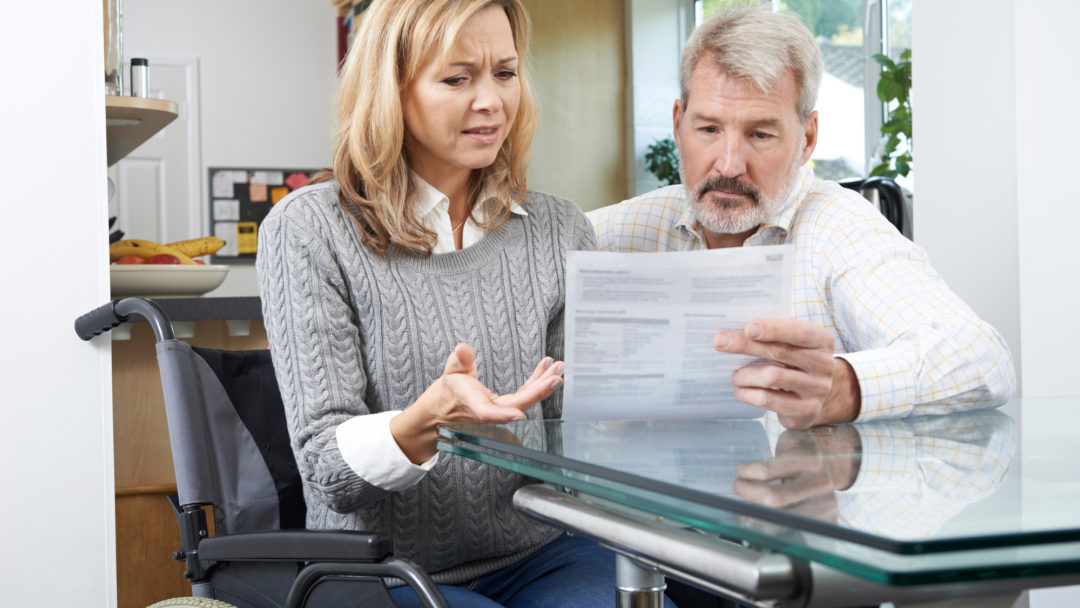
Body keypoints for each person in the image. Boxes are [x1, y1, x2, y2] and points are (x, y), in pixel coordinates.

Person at [257, 1, 666, 607]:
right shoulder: (309, 229)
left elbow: (574, 440)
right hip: (378, 570)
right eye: (457, 78)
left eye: (505, 72)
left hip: (542, 550)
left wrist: (628, 408)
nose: (492, 101)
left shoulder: (559, 228)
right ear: (392, 89)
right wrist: (428, 420)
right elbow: (326, 470)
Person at [588, 7, 1015, 430]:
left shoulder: (838, 228)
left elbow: (982, 358)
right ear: (679, 124)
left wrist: (846, 386)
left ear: (807, 138)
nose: (729, 165)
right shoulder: (626, 228)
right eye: (709, 130)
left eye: (760, 134)